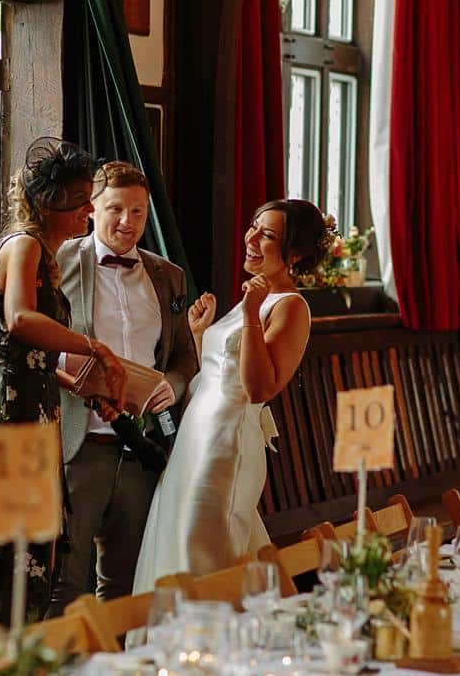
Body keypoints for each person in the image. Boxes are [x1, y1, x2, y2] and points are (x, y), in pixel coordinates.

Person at [0, 138, 128, 626]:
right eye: (78, 201)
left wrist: (79, 386)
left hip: (33, 412)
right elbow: (18, 320)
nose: (86, 211)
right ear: (43, 204)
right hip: (11, 421)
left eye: (86, 200)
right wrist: (95, 348)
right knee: (19, 561)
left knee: (36, 555)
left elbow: (25, 355)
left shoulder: (43, 252)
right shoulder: (24, 245)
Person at [133, 199, 330, 589]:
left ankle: (212, 638)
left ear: (294, 254)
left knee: (205, 546)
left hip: (227, 445)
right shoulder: (254, 296)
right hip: (197, 438)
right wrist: (201, 334)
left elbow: (257, 389)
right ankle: (171, 645)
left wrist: (254, 315)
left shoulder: (290, 307)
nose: (252, 238)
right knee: (175, 537)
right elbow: (224, 374)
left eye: (268, 235)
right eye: (254, 226)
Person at [48, 161, 198, 614]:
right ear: (91, 207)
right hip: (79, 444)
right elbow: (35, 340)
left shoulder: (167, 275)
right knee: (65, 586)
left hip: (141, 450)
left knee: (127, 587)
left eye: (138, 212)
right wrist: (74, 373)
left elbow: (184, 355)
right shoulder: (59, 262)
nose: (127, 222)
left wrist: (172, 385)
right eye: (116, 209)